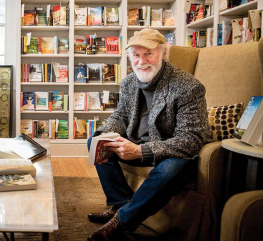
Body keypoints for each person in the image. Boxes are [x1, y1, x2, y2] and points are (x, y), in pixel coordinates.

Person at [86, 29, 212, 241]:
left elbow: (191, 139)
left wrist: (140, 151)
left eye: (148, 54)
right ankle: (119, 205)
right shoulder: (128, 82)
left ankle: (121, 222)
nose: (141, 61)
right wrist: (105, 135)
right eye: (136, 55)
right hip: (136, 143)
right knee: (95, 141)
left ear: (163, 53)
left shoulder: (188, 87)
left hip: (171, 152)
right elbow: (121, 117)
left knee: (171, 169)